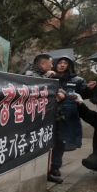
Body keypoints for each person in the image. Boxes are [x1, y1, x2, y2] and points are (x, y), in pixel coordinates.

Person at [50, 55, 96, 177]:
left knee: (60, 140)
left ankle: (55, 165)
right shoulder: (48, 76)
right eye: (60, 62)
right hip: (48, 113)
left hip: (67, 115)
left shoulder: (77, 80)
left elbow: (84, 95)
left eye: (65, 63)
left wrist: (89, 89)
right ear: (54, 64)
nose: (62, 65)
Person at [25, 54, 66, 183]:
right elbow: (33, 91)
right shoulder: (29, 76)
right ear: (43, 65)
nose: (52, 66)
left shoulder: (50, 77)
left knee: (49, 144)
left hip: (50, 117)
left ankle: (47, 172)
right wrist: (48, 77)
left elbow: (61, 90)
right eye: (50, 63)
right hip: (35, 119)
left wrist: (62, 94)